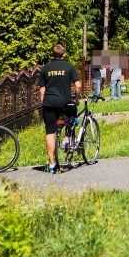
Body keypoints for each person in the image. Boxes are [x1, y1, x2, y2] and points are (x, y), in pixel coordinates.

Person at [38, 44, 82, 174]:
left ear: (53, 54)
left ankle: (52, 163)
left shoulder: (45, 69)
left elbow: (42, 90)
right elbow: (78, 85)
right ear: (64, 54)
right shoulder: (69, 67)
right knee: (72, 117)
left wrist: (44, 102)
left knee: (50, 131)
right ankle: (67, 138)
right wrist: (76, 99)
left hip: (49, 103)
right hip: (64, 102)